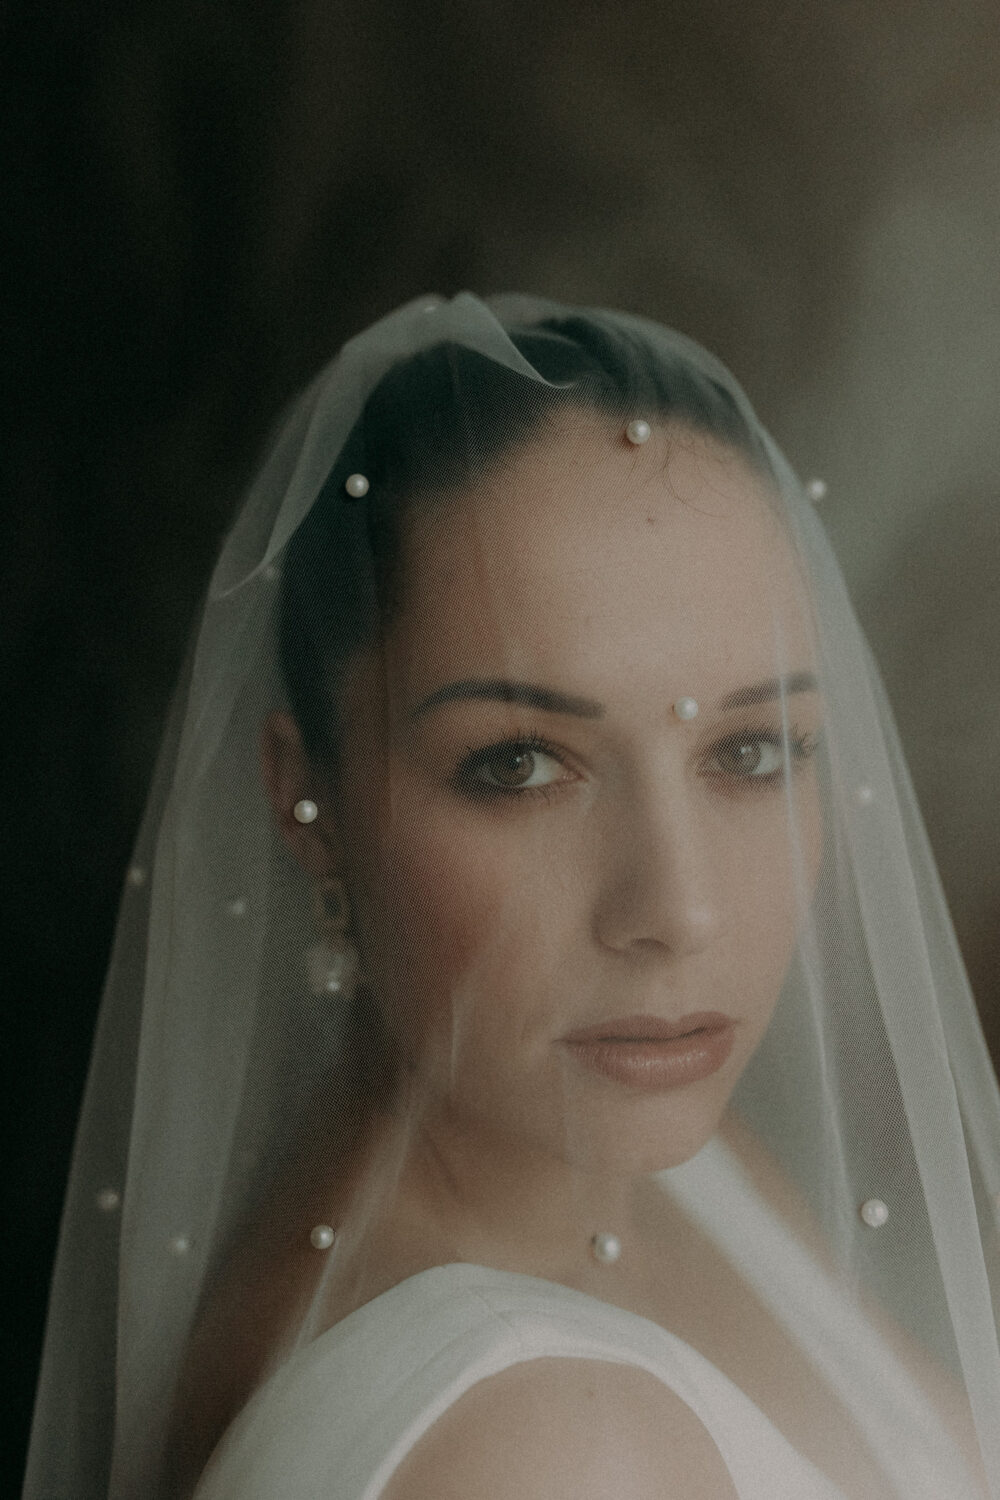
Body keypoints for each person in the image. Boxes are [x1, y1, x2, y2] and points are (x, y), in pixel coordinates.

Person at [23, 293, 1000, 1499]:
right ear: (304, 797)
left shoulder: (668, 1153)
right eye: (522, 765)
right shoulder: (529, 1454)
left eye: (748, 752)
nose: (677, 911)